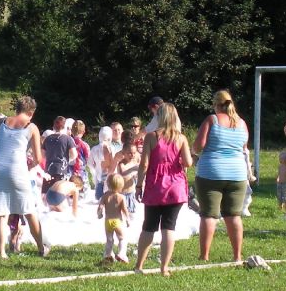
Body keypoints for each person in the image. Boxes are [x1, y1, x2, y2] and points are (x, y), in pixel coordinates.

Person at [134, 103, 193, 276]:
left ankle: (139, 266)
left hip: (155, 186)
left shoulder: (151, 137)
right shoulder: (181, 138)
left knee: (149, 226)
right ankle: (164, 268)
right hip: (175, 186)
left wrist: (139, 185)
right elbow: (188, 162)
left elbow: (144, 164)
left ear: (159, 117)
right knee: (169, 227)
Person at [0, 96, 48, 259]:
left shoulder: (1, 122)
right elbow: (38, 158)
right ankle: (41, 248)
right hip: (17, 169)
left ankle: (1, 253)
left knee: (2, 213)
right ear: (31, 112)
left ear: (17, 109)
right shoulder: (31, 127)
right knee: (29, 210)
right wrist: (29, 166)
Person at [192, 89, 249, 262]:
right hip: (238, 174)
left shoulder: (212, 120)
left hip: (211, 172)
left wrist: (193, 152)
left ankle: (204, 256)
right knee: (234, 215)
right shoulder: (242, 123)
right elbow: (244, 147)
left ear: (216, 104)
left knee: (209, 215)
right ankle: (237, 256)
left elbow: (198, 146)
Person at [98, 173, 131, 263]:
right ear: (121, 186)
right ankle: (121, 254)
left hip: (108, 221)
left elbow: (100, 207)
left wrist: (99, 214)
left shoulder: (105, 196)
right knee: (122, 238)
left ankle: (108, 254)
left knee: (109, 239)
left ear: (108, 184)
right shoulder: (121, 197)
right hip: (117, 221)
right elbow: (124, 210)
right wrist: (128, 220)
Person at [42, 116, 78, 192]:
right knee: (59, 193)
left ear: (54, 126)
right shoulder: (68, 139)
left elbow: (43, 155)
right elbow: (74, 154)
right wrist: (68, 159)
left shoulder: (47, 138)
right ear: (64, 126)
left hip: (48, 170)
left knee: (47, 194)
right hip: (61, 170)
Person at [89, 125, 115, 200]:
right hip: (104, 176)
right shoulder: (111, 148)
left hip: (103, 175)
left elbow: (90, 164)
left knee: (101, 198)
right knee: (105, 197)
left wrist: (93, 172)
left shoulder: (95, 149)